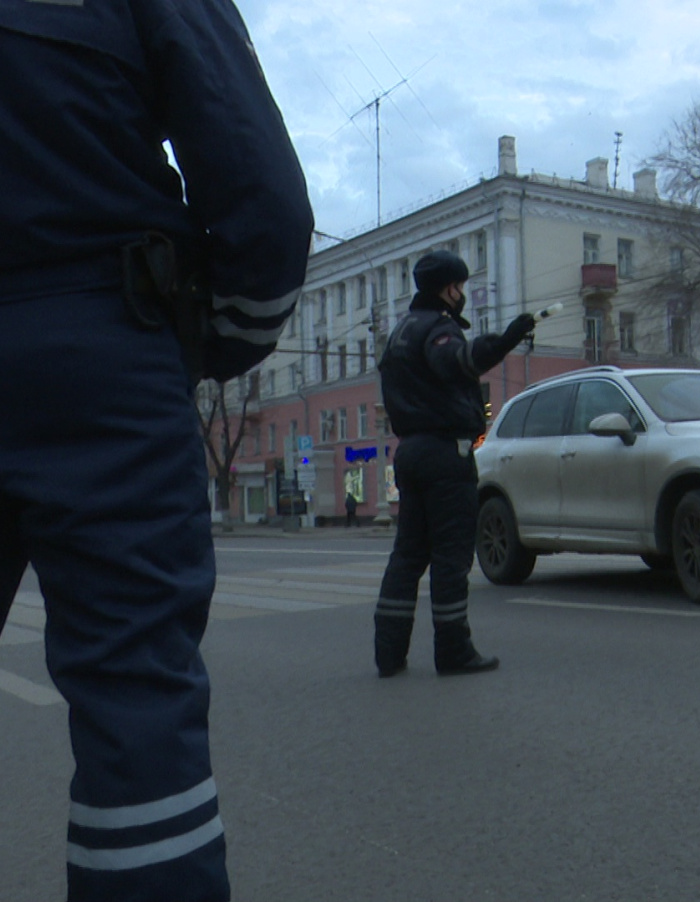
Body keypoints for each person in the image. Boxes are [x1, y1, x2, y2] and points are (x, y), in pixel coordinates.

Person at [0, 1, 313, 900]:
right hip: (99, 346)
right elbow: (264, 196)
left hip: (100, 333)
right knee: (136, 718)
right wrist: (204, 343)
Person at [374, 250, 536, 677]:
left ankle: (388, 654)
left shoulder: (400, 332)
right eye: (460, 287)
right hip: (446, 455)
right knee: (451, 556)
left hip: (409, 452)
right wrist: (505, 340)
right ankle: (453, 650)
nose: (461, 294)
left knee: (407, 555)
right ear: (449, 288)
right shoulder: (439, 329)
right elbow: (456, 363)